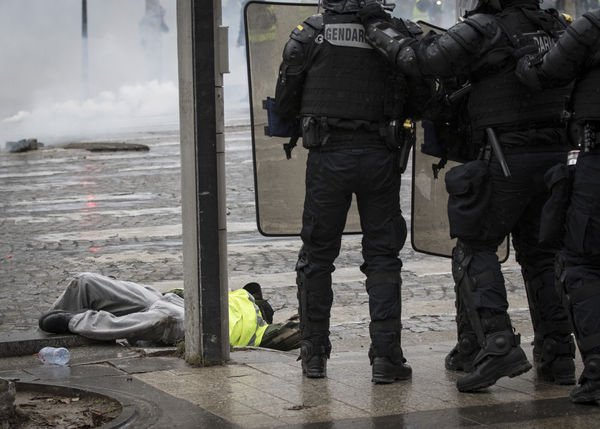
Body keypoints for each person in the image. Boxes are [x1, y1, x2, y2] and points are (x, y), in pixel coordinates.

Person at [358, 0, 576, 392]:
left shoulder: (485, 28)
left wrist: (379, 30)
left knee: (474, 248)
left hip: (505, 155)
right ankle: (558, 355)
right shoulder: (554, 27)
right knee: (542, 256)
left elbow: (421, 60)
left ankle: (497, 343)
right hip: (553, 156)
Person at [274, 0, 432, 383]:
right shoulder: (396, 35)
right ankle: (386, 357)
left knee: (316, 256)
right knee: (382, 256)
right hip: (380, 156)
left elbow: (284, 101)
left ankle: (314, 355)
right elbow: (424, 95)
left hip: (328, 156)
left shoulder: (310, 33)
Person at [515, 8, 600, 404]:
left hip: (597, 161)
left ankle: (598, 372)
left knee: (580, 261)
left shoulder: (593, 25)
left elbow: (544, 73)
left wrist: (522, 55)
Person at [38, 272, 300, 351]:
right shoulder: (239, 295)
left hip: (199, 324)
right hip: (170, 299)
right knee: (87, 282)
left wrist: (305, 322)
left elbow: (292, 334)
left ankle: (74, 321)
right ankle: (53, 319)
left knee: (161, 321)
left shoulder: (262, 329)